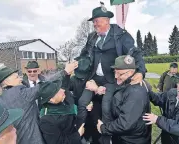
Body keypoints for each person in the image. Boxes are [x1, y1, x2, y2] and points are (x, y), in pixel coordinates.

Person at [77, 3, 146, 143]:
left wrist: (141, 71)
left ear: (107, 21)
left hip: (111, 79)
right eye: (94, 22)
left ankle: (106, 138)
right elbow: (84, 54)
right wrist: (75, 64)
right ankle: (81, 133)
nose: (95, 24)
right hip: (94, 78)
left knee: (106, 106)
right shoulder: (92, 37)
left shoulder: (121, 35)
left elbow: (135, 53)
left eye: (97, 21)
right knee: (82, 102)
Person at [0, 61, 78, 144]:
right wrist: (64, 72)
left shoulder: (0, 100)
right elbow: (44, 86)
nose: (20, 79)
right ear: (7, 82)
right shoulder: (20, 93)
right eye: (16, 77)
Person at [95, 55, 151, 144]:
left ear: (131, 72)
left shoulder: (135, 92)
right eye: (115, 72)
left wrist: (103, 128)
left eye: (120, 74)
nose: (116, 76)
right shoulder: (126, 84)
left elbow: (125, 123)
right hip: (123, 138)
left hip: (131, 140)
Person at [39, 79, 85, 144]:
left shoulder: (64, 99)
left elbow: (75, 101)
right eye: (58, 91)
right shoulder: (46, 120)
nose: (63, 90)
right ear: (51, 99)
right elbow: (58, 142)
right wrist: (78, 135)